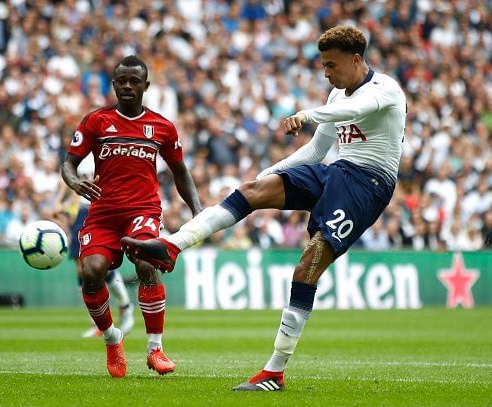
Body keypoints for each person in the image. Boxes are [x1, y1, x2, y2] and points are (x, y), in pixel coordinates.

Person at [122, 26, 406, 390]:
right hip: (337, 172)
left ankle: (274, 371)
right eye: (323, 65)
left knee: (308, 265)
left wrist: (306, 114)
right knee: (252, 191)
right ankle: (172, 245)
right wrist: (269, 172)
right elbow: (317, 153)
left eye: (331, 65)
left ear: (356, 60)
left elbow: (358, 108)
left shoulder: (385, 90)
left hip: (368, 185)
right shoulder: (336, 95)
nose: (326, 73)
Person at [61, 55, 201, 378]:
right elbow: (68, 164)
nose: (127, 86)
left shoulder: (162, 127)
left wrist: (198, 212)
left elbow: (181, 172)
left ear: (145, 86)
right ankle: (112, 338)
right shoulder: (96, 121)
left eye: (134, 81)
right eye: (121, 80)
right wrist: (75, 183)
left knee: (147, 261)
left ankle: (155, 349)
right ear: (113, 84)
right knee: (92, 271)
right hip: (103, 213)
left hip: (143, 210)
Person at [54, 173, 135, 339]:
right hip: (82, 208)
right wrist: (61, 201)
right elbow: (69, 177)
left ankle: (124, 305)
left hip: (101, 205)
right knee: (82, 268)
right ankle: (99, 322)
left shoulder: (107, 148)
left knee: (98, 264)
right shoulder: (80, 150)